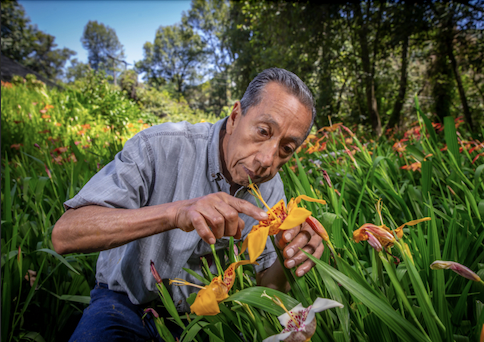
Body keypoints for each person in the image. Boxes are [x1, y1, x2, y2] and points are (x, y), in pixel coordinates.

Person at [53, 67, 325, 341]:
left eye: (286, 149)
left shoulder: (271, 187)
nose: (267, 160)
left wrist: (288, 258)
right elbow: (65, 234)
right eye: (263, 131)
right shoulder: (158, 147)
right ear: (234, 117)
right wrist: (175, 212)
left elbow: (264, 285)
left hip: (203, 319)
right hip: (123, 306)